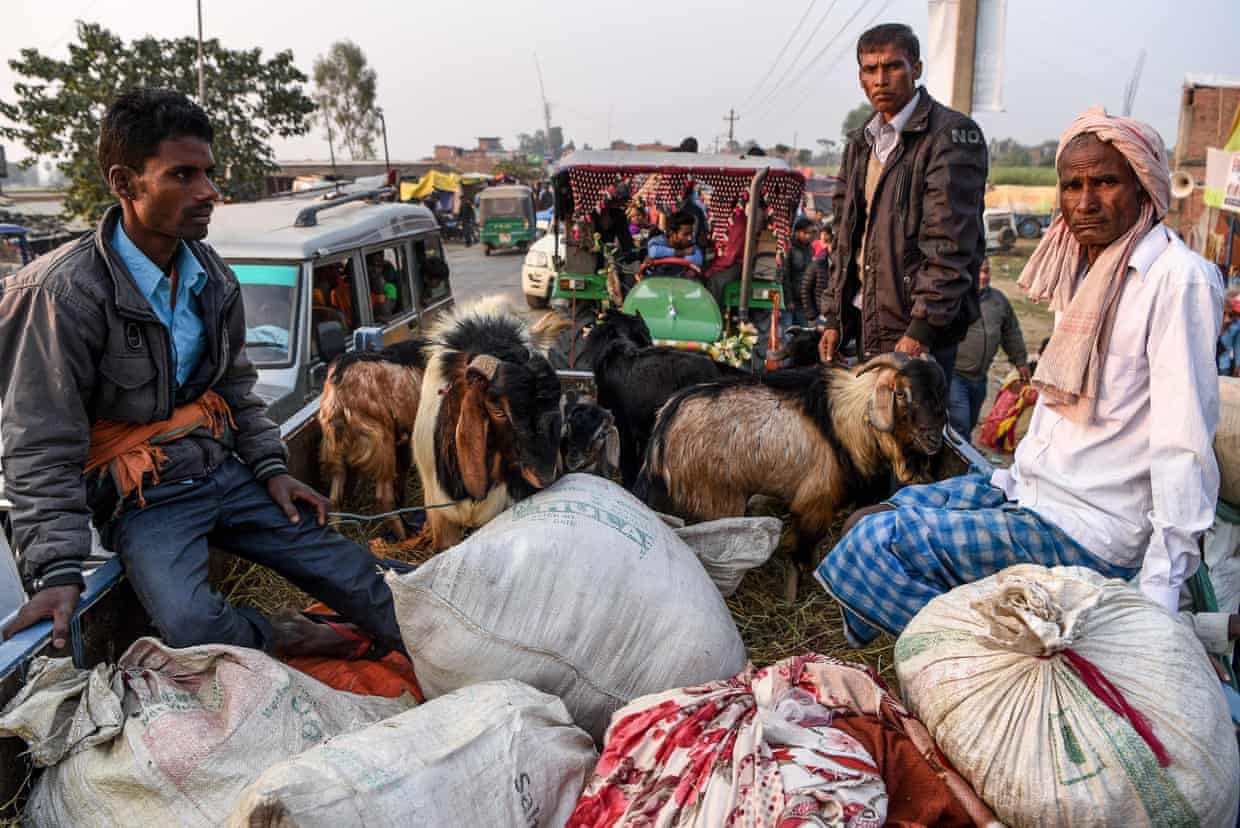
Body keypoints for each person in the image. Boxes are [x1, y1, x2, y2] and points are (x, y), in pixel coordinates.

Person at [0, 90, 403, 657]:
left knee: (360, 577)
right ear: (125, 183)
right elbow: (39, 443)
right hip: (144, 499)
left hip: (221, 469)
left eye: (208, 174)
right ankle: (292, 635)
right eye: (183, 175)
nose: (208, 191)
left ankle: (440, 645)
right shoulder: (60, 294)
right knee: (190, 624)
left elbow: (236, 387)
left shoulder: (211, 277)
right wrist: (57, 569)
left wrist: (270, 467)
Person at [815, 107, 1222, 647]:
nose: (1085, 202)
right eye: (1072, 185)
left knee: (874, 546)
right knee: (870, 517)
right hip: (1028, 492)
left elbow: (1183, 445)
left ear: (1144, 186)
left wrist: (1160, 595)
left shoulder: (1177, 279)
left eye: (1105, 182)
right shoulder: (1082, 266)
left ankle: (980, 657)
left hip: (1088, 529)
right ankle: (955, 638)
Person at [817, 23, 987, 378]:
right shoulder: (861, 142)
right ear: (861, 77)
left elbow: (949, 246)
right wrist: (834, 317)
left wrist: (921, 330)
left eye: (892, 66)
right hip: (864, 319)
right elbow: (844, 239)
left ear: (916, 69)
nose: (880, 80)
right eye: (870, 69)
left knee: (914, 414)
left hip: (915, 330)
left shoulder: (949, 135)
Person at [948, 258, 1031, 437]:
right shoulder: (956, 298)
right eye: (978, 271)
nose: (983, 276)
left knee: (970, 423)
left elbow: (1011, 333)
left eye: (986, 271)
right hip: (955, 375)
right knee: (960, 423)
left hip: (980, 378)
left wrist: (1020, 362)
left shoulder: (998, 300)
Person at [779, 217, 815, 325]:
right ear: (797, 232)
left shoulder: (811, 250)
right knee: (788, 331)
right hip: (790, 300)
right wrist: (788, 300)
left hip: (804, 301)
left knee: (802, 331)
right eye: (805, 233)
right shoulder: (789, 249)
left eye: (811, 233)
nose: (809, 236)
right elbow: (785, 276)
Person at [1218, 290, 1240, 376]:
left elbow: (1238, 345)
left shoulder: (1237, 324)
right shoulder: (1216, 317)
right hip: (1209, 362)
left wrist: (1238, 365)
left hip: (1224, 365)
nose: (1237, 316)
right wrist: (1224, 326)